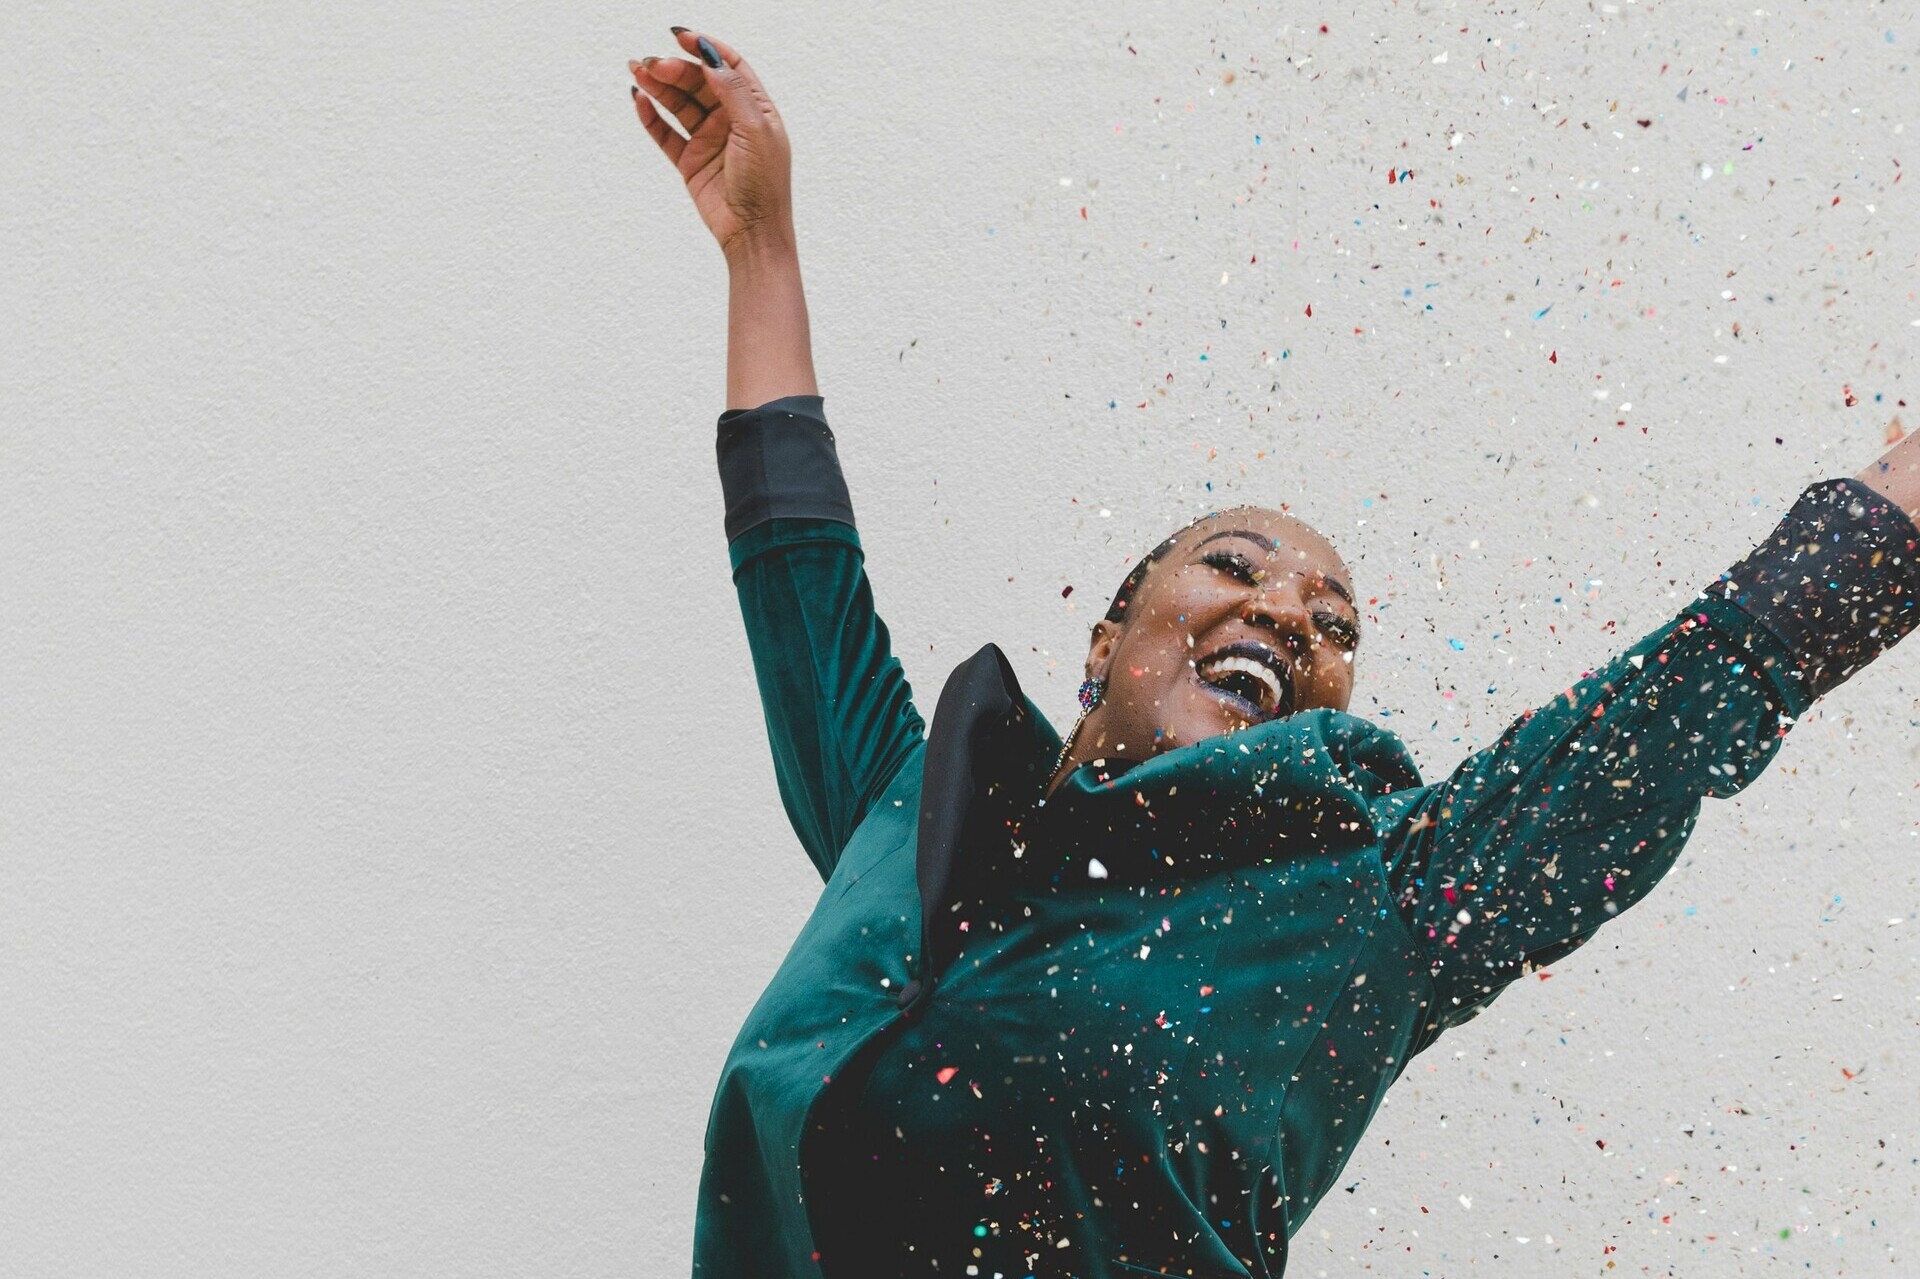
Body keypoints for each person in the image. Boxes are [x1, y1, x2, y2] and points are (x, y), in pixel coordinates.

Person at [629, 29, 1920, 1279]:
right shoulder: (907, 816)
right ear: (1109, 639)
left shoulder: (1370, 908)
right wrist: (760, 247)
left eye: (1334, 625)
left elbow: (1660, 725)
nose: (1291, 613)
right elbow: (799, 559)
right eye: (1235, 567)